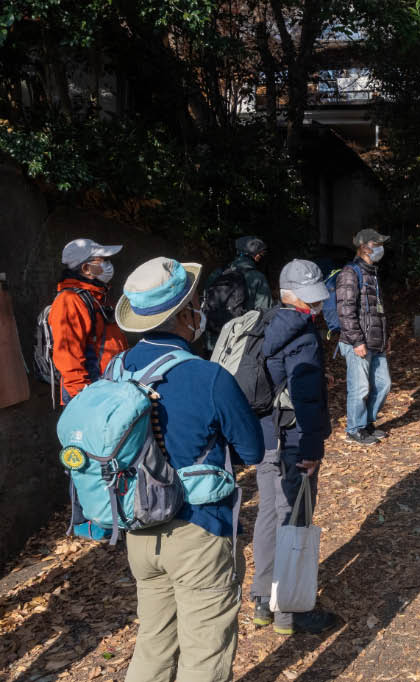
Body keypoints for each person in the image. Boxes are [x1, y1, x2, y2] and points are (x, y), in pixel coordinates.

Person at [113, 257, 264, 682]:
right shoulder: (208, 377)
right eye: (197, 303)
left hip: (138, 526)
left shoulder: (116, 371)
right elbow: (252, 451)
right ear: (184, 315)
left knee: (153, 645)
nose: (201, 310)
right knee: (204, 652)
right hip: (198, 529)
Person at [251, 259, 337, 635]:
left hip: (264, 437)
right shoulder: (301, 334)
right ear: (297, 298)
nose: (316, 307)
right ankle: (289, 611)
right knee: (295, 518)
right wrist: (312, 448)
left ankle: (260, 602)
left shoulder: (262, 323)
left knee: (268, 515)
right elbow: (305, 397)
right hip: (293, 438)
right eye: (312, 300)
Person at [49, 238, 129, 405]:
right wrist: (84, 398)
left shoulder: (98, 297)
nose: (109, 265)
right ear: (85, 268)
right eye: (103, 260)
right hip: (90, 393)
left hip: (109, 386)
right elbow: (67, 356)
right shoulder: (69, 300)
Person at [335, 229, 392, 445]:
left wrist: (386, 337)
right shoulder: (350, 273)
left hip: (376, 341)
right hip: (357, 342)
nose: (380, 247)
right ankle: (354, 429)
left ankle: (367, 422)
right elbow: (345, 310)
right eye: (376, 243)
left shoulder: (373, 273)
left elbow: (378, 310)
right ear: (362, 246)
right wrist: (357, 340)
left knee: (383, 384)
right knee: (359, 388)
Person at [203, 235, 272, 350]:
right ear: (256, 256)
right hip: (238, 344)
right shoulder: (258, 278)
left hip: (212, 342)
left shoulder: (217, 274)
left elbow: (205, 301)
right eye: (261, 255)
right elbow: (265, 313)